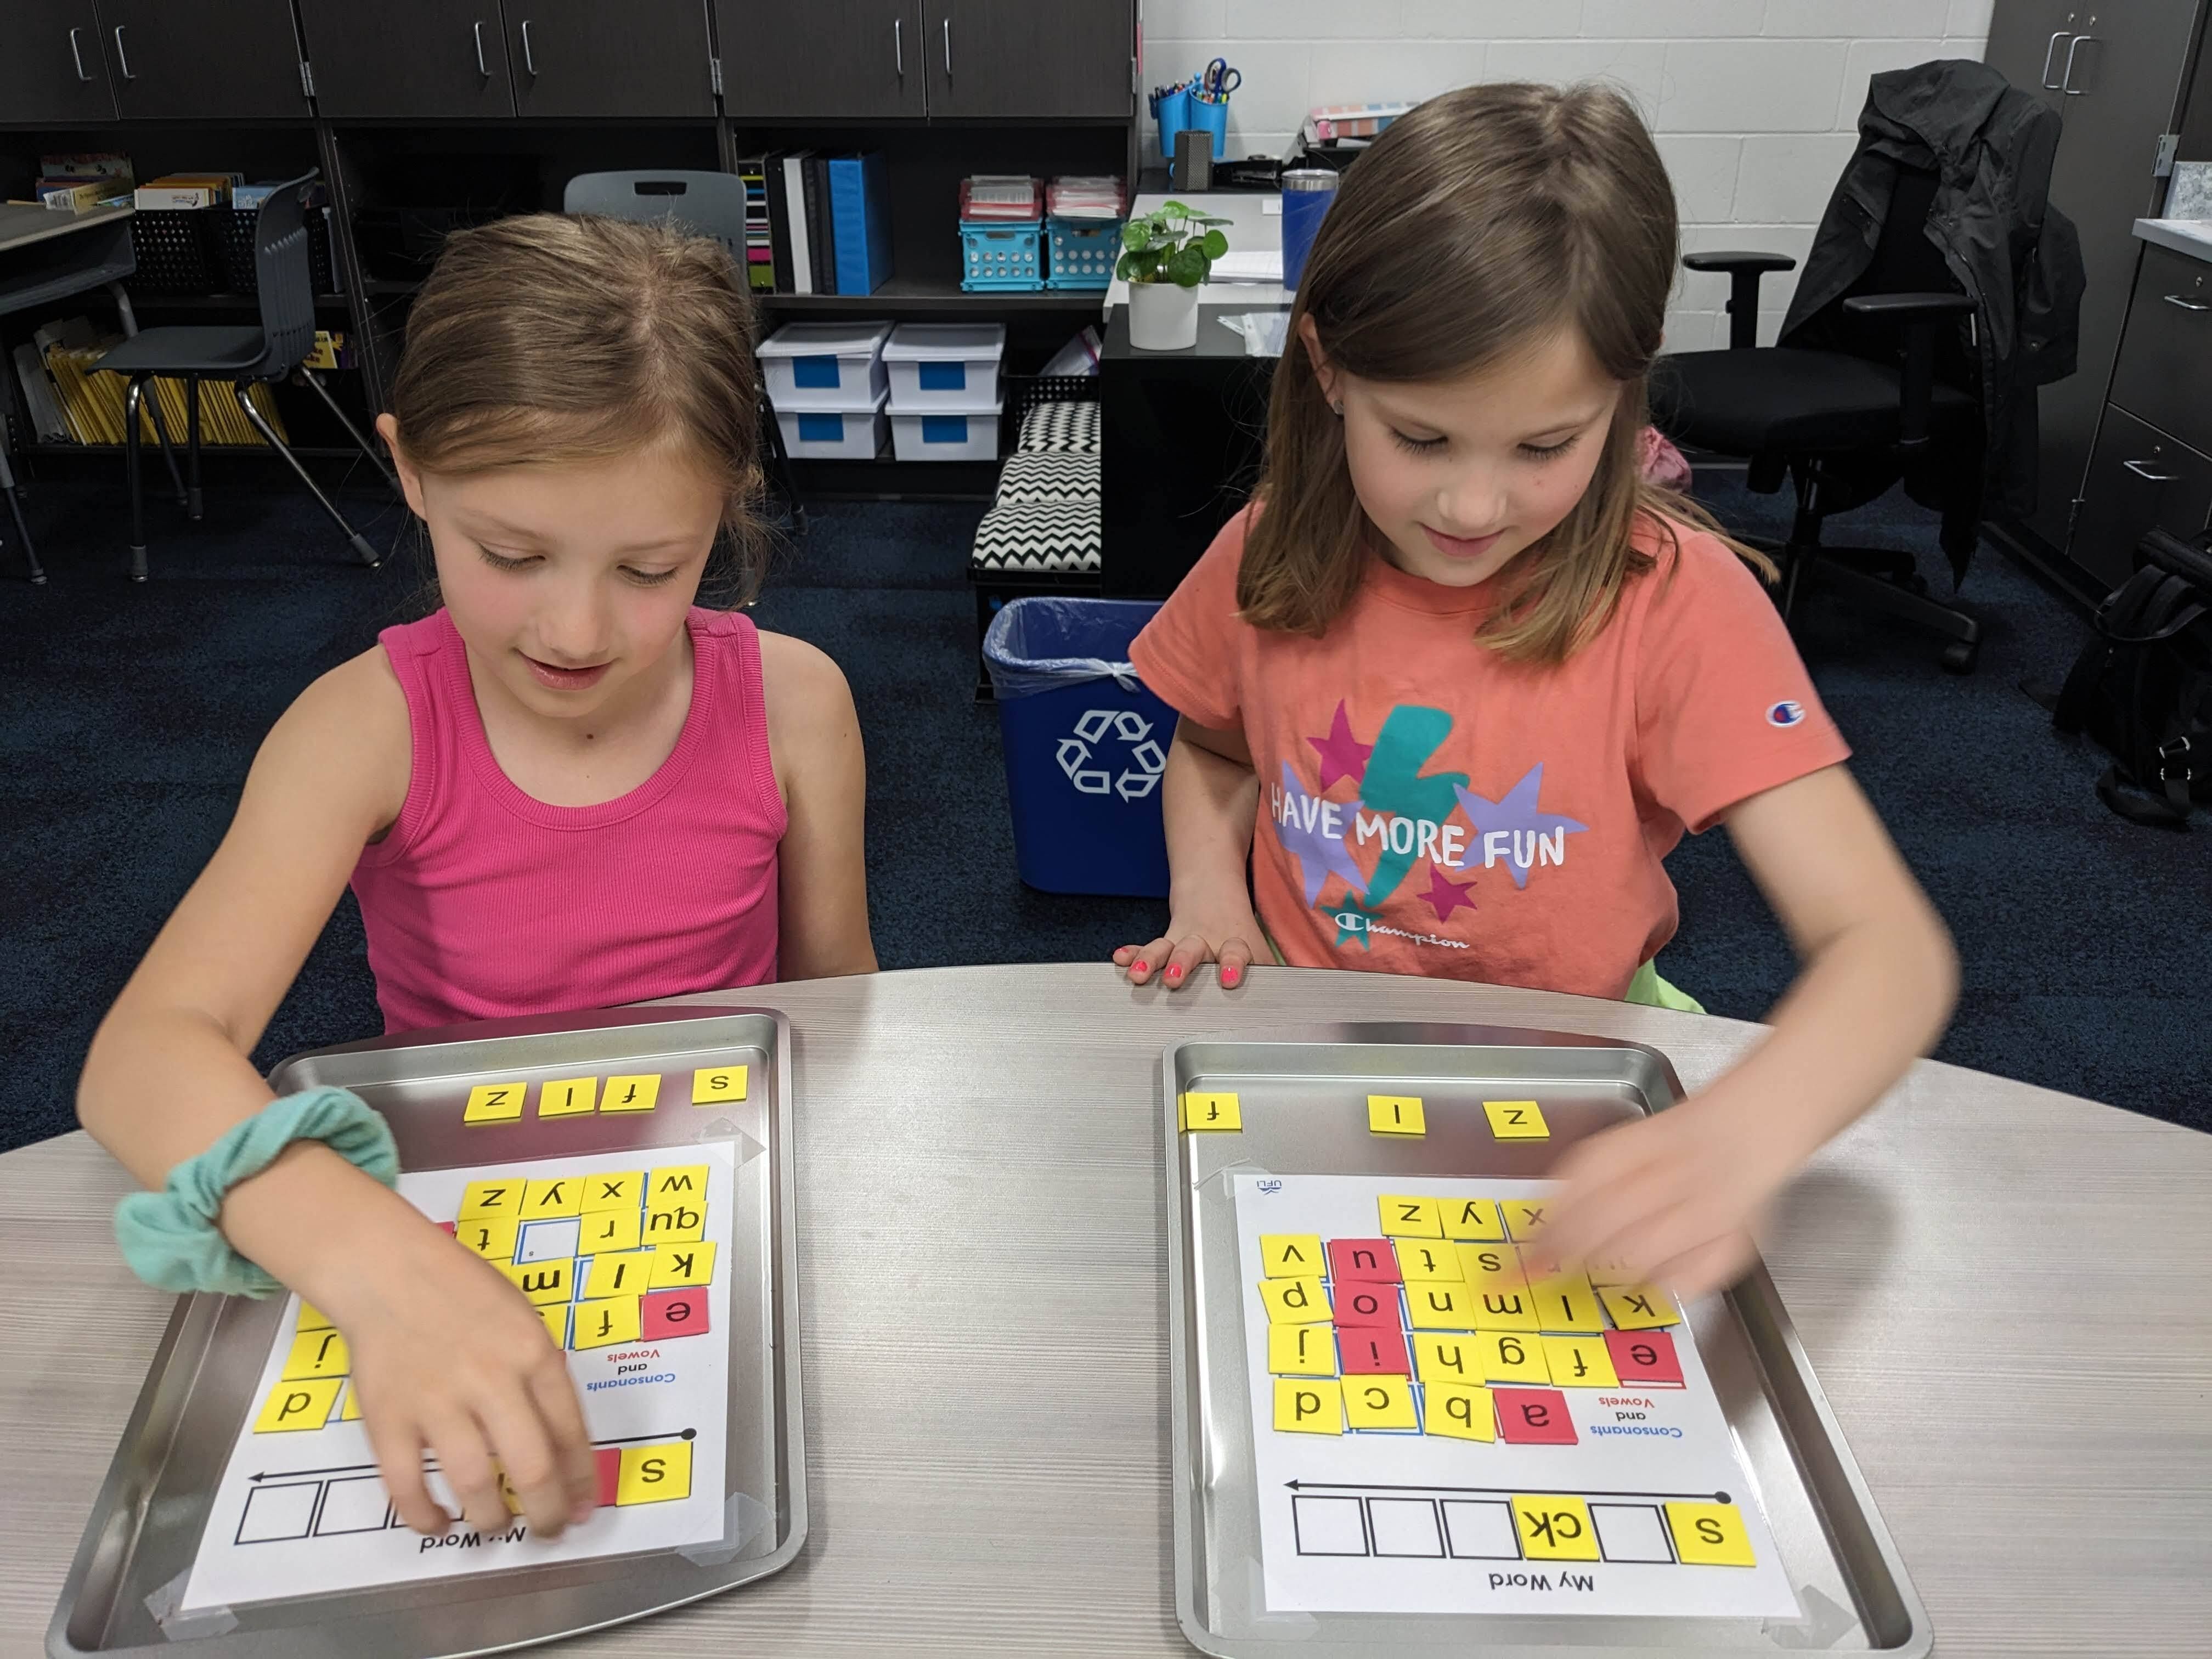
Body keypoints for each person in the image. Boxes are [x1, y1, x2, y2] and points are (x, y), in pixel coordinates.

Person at [78, 214, 874, 1543]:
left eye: (650, 569)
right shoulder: (364, 728)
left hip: (709, 1195)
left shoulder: (796, 703)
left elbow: (840, 1002)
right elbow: (147, 1053)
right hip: (447, 1204)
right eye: (513, 557)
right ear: (410, 474)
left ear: (724, 506)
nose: (577, 630)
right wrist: (378, 1266)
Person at [1115, 83, 1957, 1302]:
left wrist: (1737, 1139)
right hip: (1308, 1062)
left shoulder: (1680, 602)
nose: (1471, 509)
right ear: (1331, 371)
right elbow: (1212, 752)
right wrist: (1208, 894)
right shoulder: (1262, 556)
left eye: (1543, 447)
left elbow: (1891, 952)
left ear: (1624, 397)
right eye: (1423, 439)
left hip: (1576, 1070)